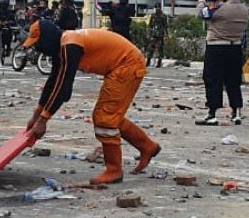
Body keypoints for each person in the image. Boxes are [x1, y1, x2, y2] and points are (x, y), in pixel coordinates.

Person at [22, 18, 160, 185]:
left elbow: (63, 89)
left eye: (38, 43)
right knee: (110, 115)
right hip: (123, 65)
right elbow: (54, 82)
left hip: (127, 65)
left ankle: (114, 170)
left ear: (47, 39)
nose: (37, 48)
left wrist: (43, 120)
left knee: (104, 118)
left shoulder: (70, 46)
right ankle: (147, 146)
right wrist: (36, 115)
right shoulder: (65, 44)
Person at [196, 0, 249, 125]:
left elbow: (202, 14)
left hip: (216, 47)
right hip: (235, 47)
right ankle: (236, 111)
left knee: (213, 80)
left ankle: (212, 114)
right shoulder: (246, 10)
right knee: (233, 81)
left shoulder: (219, 8)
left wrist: (202, 0)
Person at [144, 3, 168, 68]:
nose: (157, 9)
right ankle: (148, 62)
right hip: (153, 34)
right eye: (156, 8)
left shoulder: (163, 16)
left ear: (160, 8)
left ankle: (159, 63)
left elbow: (165, 26)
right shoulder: (153, 16)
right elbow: (150, 25)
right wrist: (148, 33)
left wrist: (166, 35)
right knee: (151, 48)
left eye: (158, 8)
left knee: (160, 49)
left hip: (160, 34)